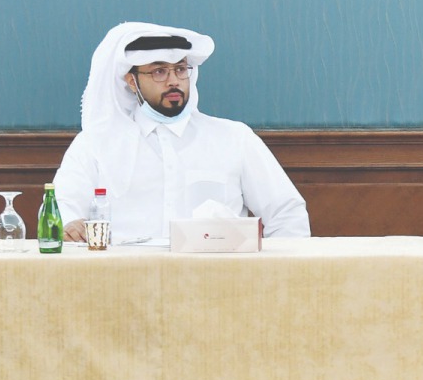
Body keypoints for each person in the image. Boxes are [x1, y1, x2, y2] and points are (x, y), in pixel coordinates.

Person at [54, 22, 311, 241]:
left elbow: (287, 214)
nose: (174, 80)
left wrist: (271, 277)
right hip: (122, 287)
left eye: (180, 69)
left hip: (219, 288)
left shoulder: (234, 138)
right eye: (159, 71)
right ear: (132, 82)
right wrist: (70, 225)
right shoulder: (94, 144)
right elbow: (62, 209)